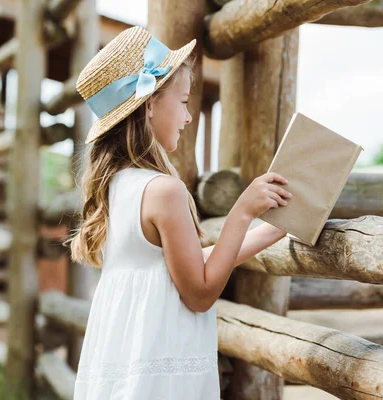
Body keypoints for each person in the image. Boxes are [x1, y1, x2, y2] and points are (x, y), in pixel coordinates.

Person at [68, 26, 292, 399]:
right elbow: (199, 292)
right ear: (150, 103)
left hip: (124, 364)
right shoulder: (163, 191)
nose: (189, 117)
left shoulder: (115, 187)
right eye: (184, 101)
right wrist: (241, 211)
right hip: (162, 370)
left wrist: (274, 229)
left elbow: (180, 267)